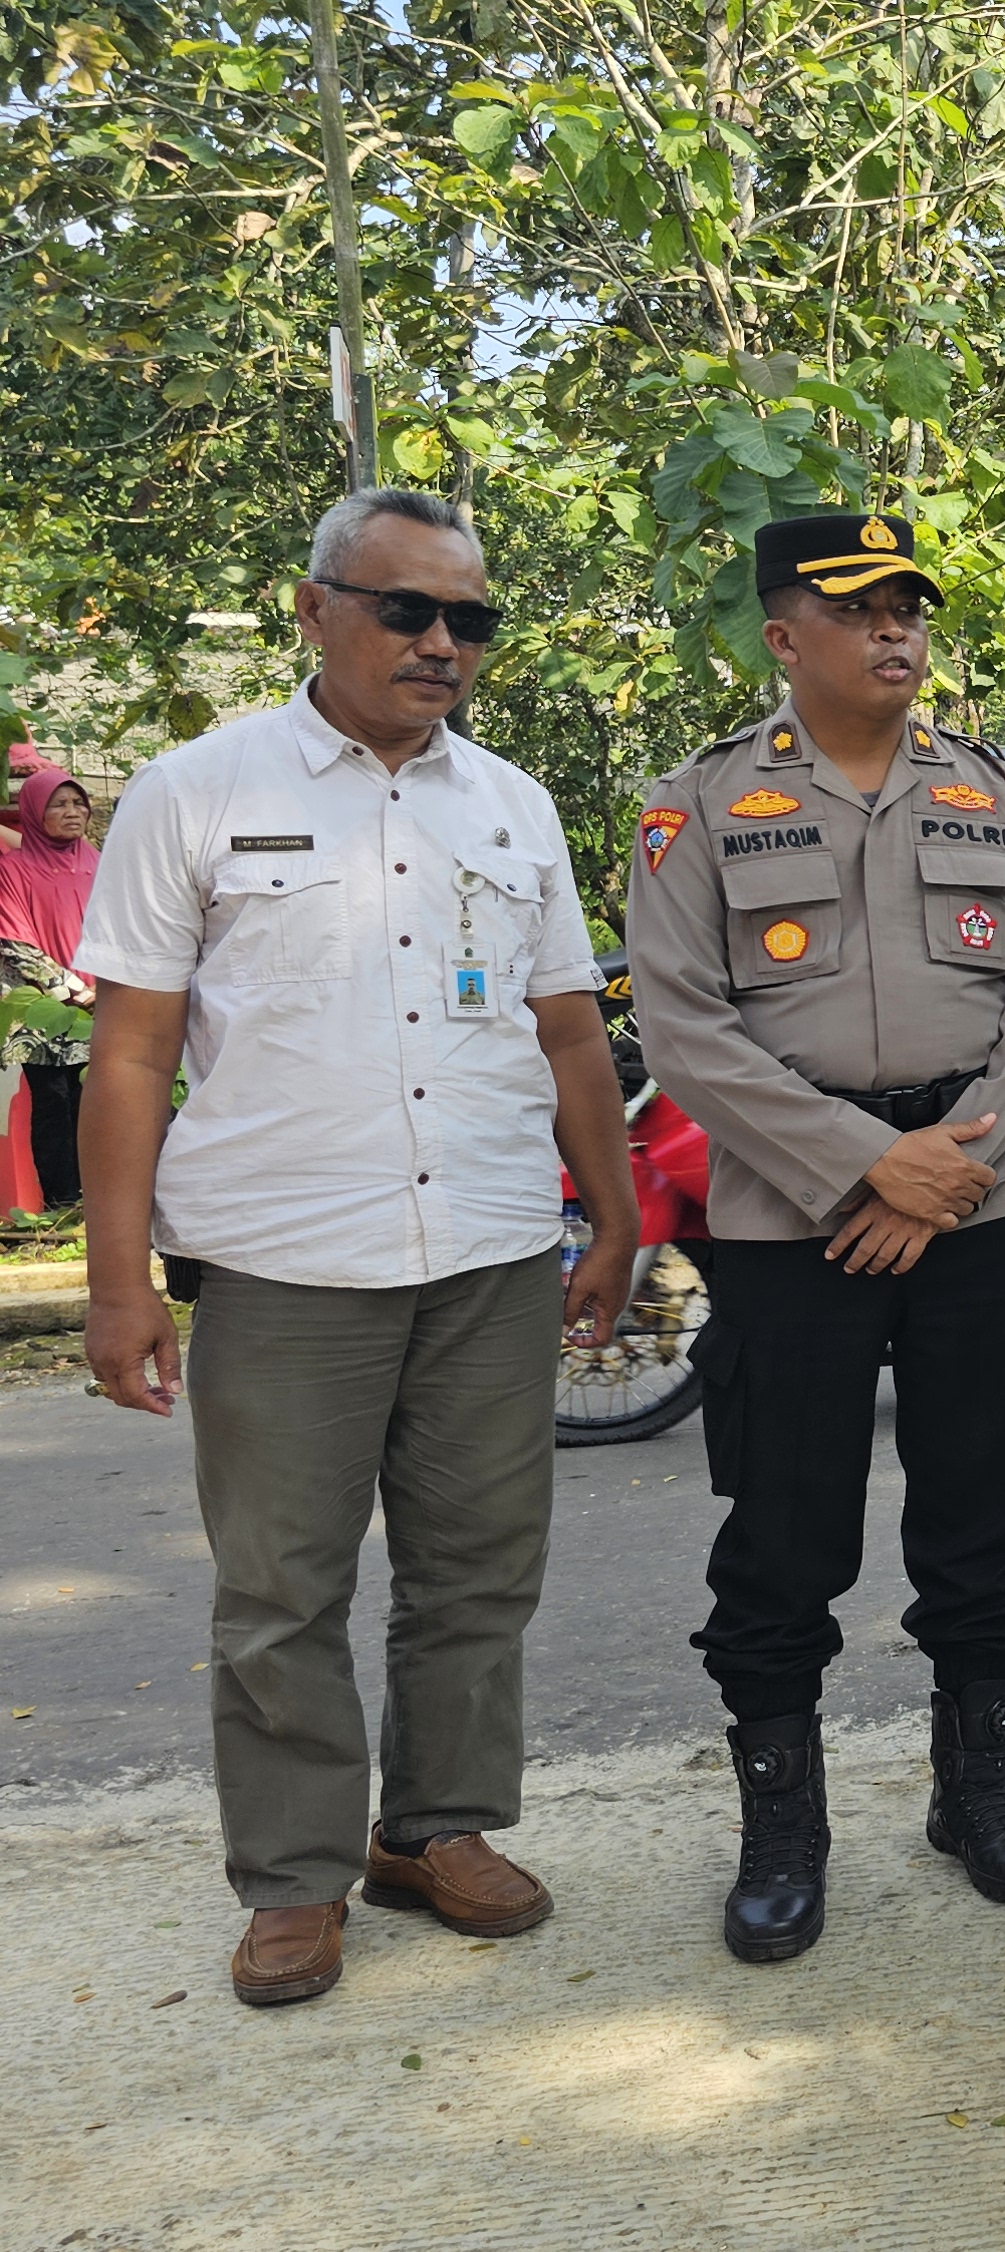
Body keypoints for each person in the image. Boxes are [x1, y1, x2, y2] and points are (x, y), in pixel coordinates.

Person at [75, 487, 634, 2006]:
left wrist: (620, 1210)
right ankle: (295, 1878)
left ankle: (434, 1831)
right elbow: (129, 1055)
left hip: (495, 1243)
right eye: (408, 610)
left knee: (476, 1572)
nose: (442, 644)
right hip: (280, 1257)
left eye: (470, 619)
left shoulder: (510, 804)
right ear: (314, 607)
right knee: (280, 1589)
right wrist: (117, 1282)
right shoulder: (195, 790)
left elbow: (569, 1025)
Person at [629, 510, 1005, 1962]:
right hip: (793, 1223)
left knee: (982, 1506)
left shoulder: (997, 795)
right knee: (782, 1525)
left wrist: (946, 1169)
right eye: (860, 610)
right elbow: (683, 1026)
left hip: (974, 1200)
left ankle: (979, 1787)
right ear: (784, 638)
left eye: (911, 610)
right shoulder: (695, 808)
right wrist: (859, 1172)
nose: (897, 633)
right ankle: (784, 1826)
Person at [0, 765, 100, 1203]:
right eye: (58, 804)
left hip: (107, 1003)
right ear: (35, 813)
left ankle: (99, 1197)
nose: (72, 811)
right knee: (55, 1103)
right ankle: (63, 1201)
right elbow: (13, 941)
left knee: (96, 1103)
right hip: (43, 1009)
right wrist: (74, 991)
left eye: (78, 802)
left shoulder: (100, 863)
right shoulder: (13, 870)